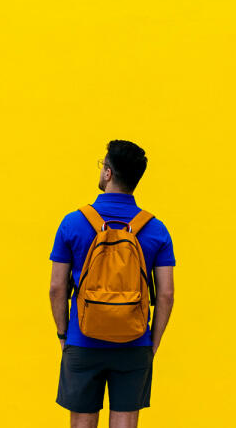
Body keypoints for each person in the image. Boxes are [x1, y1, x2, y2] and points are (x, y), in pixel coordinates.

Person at [48, 140, 176, 428]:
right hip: (134, 341)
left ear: (108, 173)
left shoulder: (73, 223)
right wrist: (151, 343)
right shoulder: (155, 228)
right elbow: (166, 294)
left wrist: (63, 335)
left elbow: (57, 288)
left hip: (82, 338)